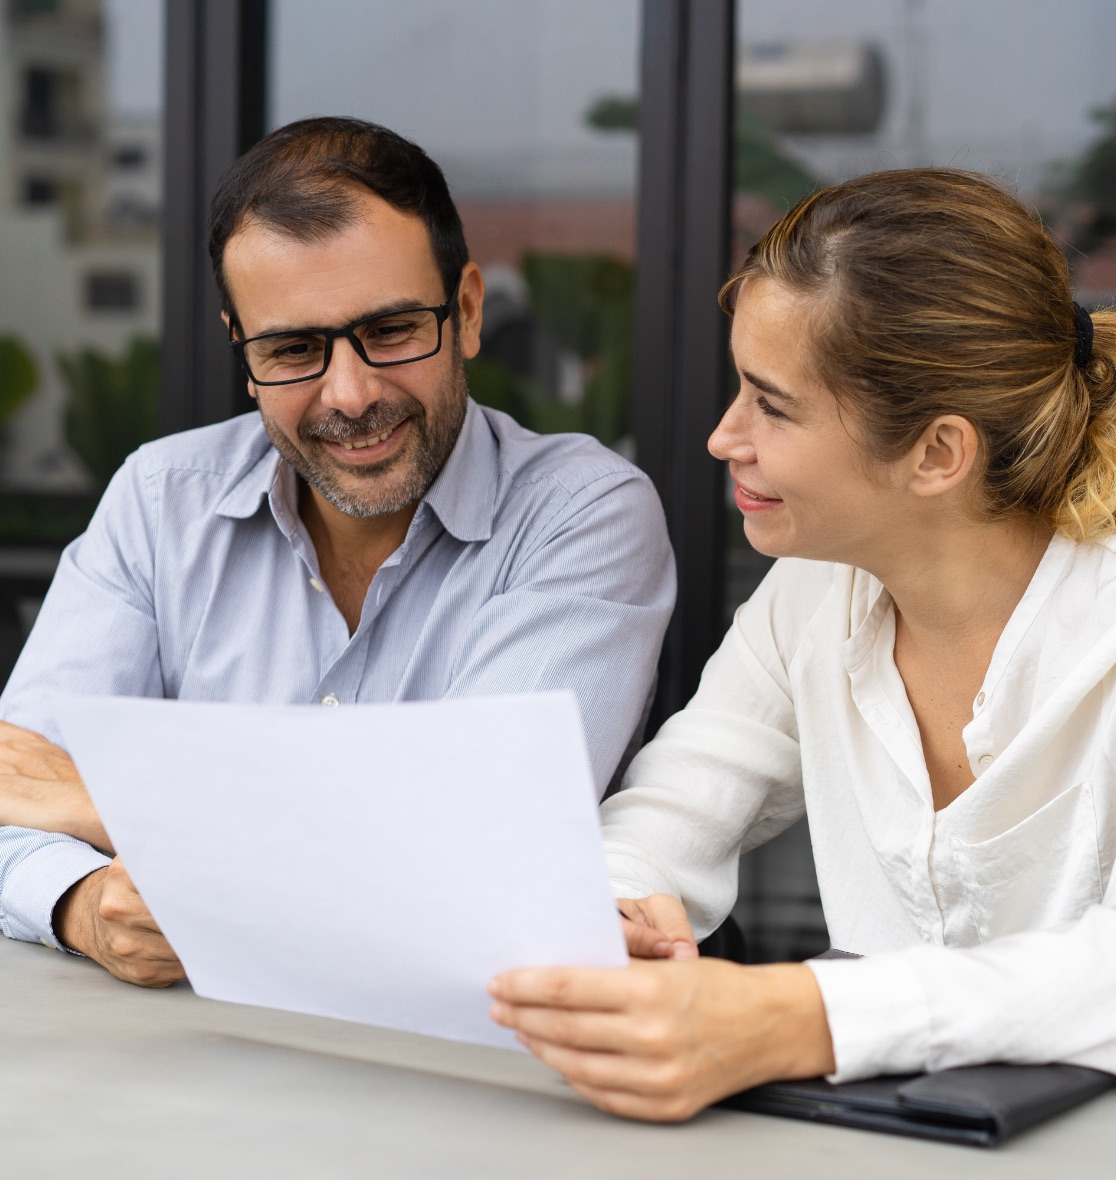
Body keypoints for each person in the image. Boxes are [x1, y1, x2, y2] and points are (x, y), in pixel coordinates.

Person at [489, 168, 1116, 1121]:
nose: (725, 436)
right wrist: (612, 908)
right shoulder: (812, 596)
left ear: (937, 453)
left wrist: (797, 1014)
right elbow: (673, 810)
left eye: (773, 405)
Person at [0, 117, 674, 987]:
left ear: (466, 311)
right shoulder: (160, 499)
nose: (350, 395)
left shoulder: (580, 514)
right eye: (293, 349)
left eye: (391, 331)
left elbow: (468, 844)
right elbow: (16, 793)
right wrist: (83, 903)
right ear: (244, 354)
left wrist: (110, 805)